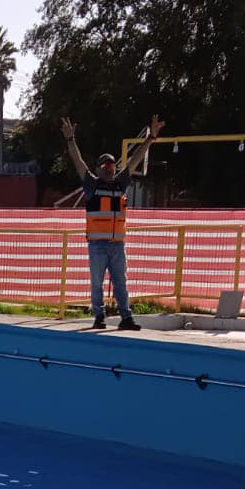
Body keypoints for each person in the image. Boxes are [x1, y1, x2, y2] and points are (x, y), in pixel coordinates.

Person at [61, 114, 163, 331]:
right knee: (97, 283)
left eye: (112, 164)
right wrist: (71, 140)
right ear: (98, 169)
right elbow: (78, 162)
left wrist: (151, 138)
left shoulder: (120, 185)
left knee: (121, 283)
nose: (110, 168)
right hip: (97, 245)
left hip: (117, 245)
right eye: (105, 165)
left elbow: (135, 159)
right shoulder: (91, 185)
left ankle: (126, 317)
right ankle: (99, 316)